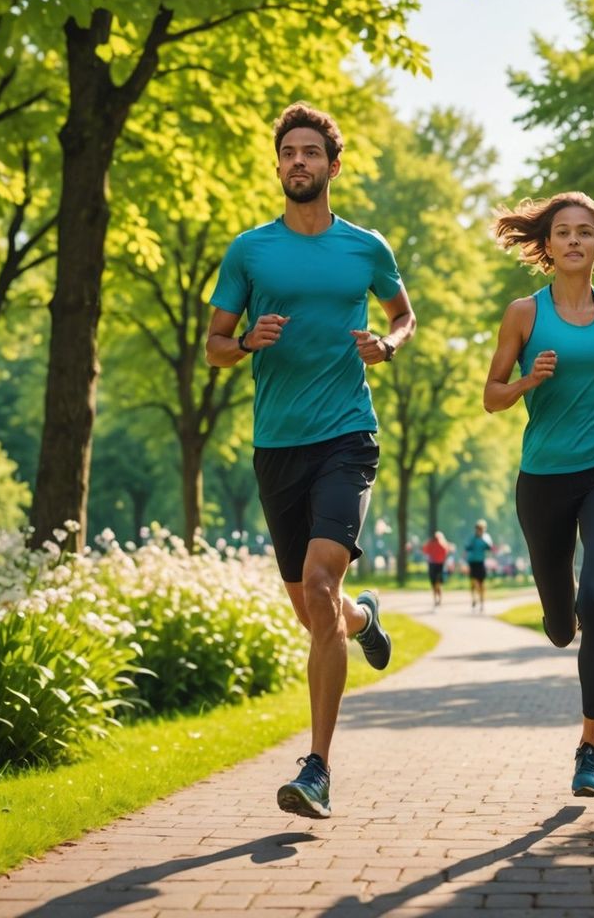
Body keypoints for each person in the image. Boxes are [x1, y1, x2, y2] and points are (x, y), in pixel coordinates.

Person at [206, 101, 416, 819]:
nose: (298, 162)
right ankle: (364, 620)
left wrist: (389, 345)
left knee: (321, 580)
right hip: (277, 447)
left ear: (332, 164)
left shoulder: (365, 247)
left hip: (347, 436)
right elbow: (215, 344)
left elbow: (402, 313)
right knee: (313, 610)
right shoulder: (249, 251)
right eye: (288, 152)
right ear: (279, 165)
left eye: (310, 152)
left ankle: (318, 767)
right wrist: (248, 345)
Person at [483, 191, 594, 798]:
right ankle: (561, 620)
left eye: (586, 232)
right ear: (547, 245)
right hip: (543, 480)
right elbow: (492, 395)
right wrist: (529, 378)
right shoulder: (524, 314)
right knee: (560, 624)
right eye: (564, 232)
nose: (575, 241)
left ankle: (590, 745)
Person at [463, 519, 493, 612]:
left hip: (481, 562)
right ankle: (474, 599)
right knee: (474, 582)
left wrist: (483, 540)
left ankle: (482, 602)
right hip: (472, 562)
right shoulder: (472, 538)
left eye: (481, 529)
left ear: (484, 529)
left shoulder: (486, 537)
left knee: (482, 584)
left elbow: (490, 547)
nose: (479, 531)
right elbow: (467, 547)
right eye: (477, 529)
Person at [422, 530, 453, 606]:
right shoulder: (432, 543)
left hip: (439, 565)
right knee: (435, 584)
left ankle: (438, 599)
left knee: (437, 583)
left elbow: (447, 551)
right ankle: (437, 599)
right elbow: (425, 550)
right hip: (434, 564)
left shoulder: (440, 543)